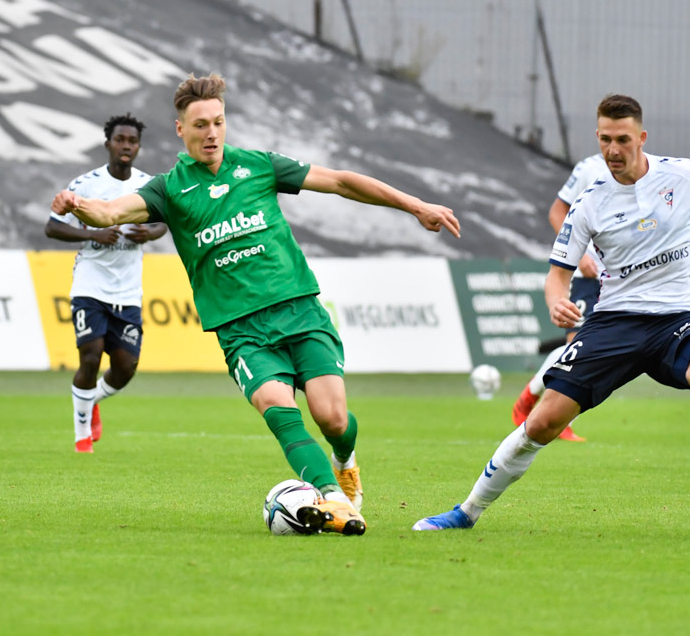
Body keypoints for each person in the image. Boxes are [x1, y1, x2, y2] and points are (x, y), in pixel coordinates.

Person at [52, 73, 460, 535]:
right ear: (180, 129)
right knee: (278, 409)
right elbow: (111, 213)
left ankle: (344, 459)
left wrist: (415, 205)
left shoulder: (260, 166)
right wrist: (77, 204)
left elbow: (342, 182)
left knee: (334, 418)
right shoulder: (169, 189)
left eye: (219, 122)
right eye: (201, 124)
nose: (211, 133)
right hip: (241, 330)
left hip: (300, 312)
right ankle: (333, 500)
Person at [414, 94, 690, 533]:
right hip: (615, 323)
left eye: (623, 140)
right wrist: (556, 300)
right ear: (597, 138)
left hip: (677, 317)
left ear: (642, 138)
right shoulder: (589, 203)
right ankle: (467, 512)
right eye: (605, 140)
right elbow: (557, 275)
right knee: (543, 421)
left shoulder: (686, 177)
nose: (613, 150)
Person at [44, 114, 167, 453]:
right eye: (120, 139)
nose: (126, 146)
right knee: (90, 356)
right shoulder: (86, 184)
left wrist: (149, 231)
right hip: (90, 285)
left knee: (126, 367)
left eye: (132, 141)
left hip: (128, 290)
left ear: (138, 147)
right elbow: (52, 227)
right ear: (108, 143)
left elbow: (163, 223)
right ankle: (82, 434)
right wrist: (91, 232)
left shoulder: (148, 185)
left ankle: (91, 399)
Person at [511, 153, 611, 440]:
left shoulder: (648, 173)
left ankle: (542, 404)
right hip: (586, 277)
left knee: (592, 351)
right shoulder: (589, 168)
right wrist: (578, 256)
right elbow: (557, 211)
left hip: (619, 281)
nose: (614, 147)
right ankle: (534, 403)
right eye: (607, 137)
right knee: (576, 347)